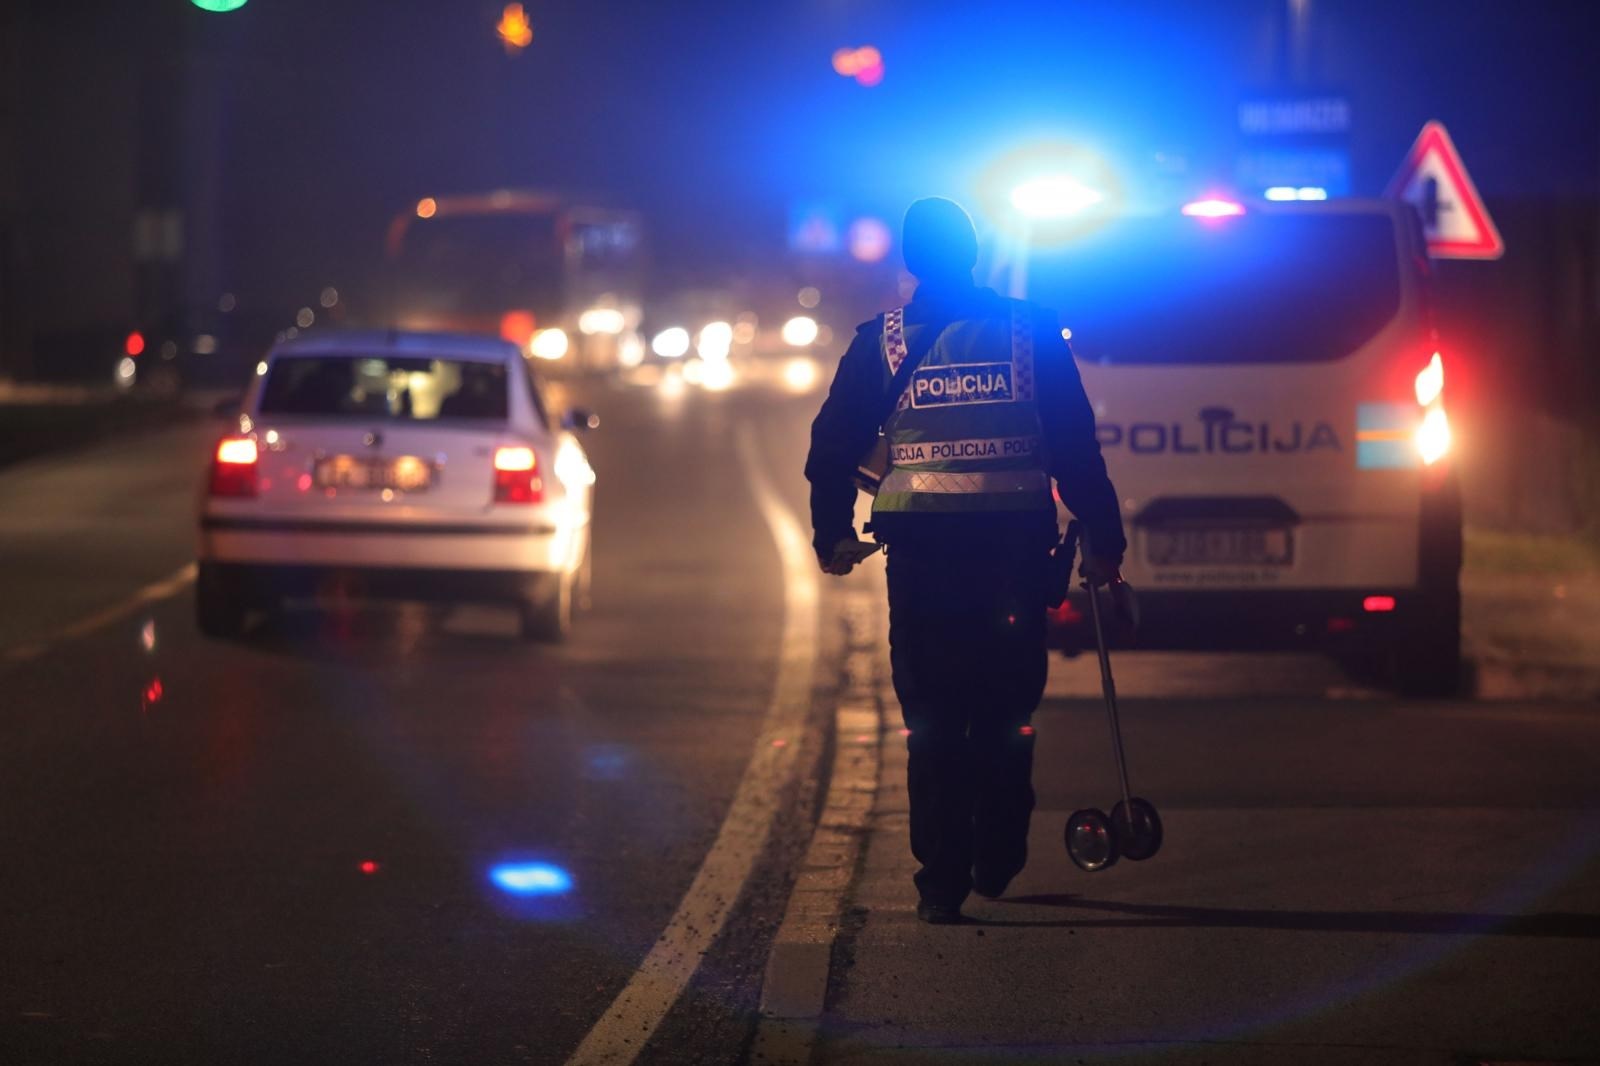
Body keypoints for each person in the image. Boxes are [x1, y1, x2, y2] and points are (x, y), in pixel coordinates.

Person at [804, 197, 1127, 924]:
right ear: (975, 251)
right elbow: (1076, 447)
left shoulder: (879, 342)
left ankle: (941, 881)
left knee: (935, 720)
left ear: (912, 264)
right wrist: (1104, 540)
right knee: (1008, 710)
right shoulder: (1028, 330)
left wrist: (832, 536)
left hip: (923, 566)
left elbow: (829, 451)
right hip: (1013, 558)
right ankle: (998, 852)